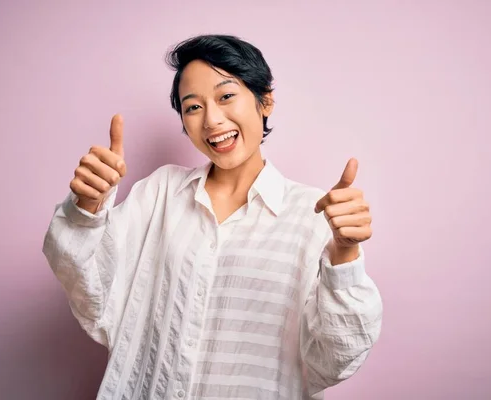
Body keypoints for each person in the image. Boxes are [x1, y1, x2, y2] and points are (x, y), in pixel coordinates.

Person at [42, 34, 383, 400]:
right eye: (193, 107)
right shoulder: (161, 192)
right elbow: (94, 291)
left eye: (226, 96)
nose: (212, 120)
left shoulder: (314, 215)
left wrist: (345, 255)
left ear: (264, 100)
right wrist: (87, 206)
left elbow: (333, 359)